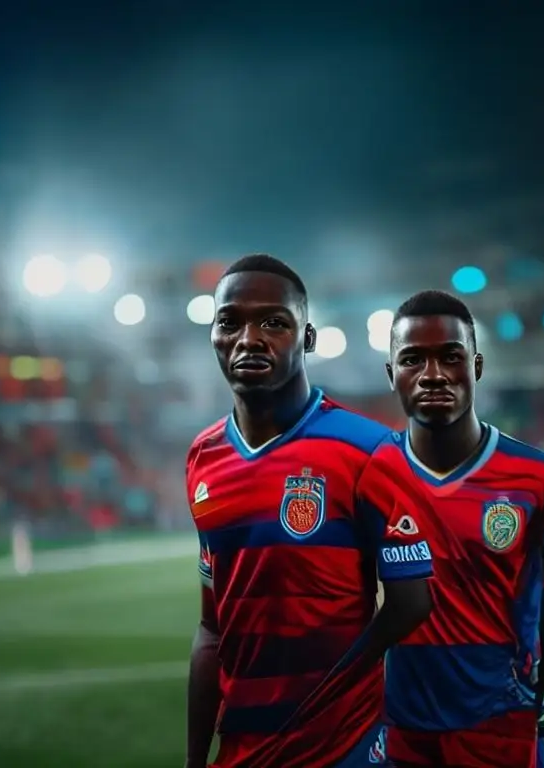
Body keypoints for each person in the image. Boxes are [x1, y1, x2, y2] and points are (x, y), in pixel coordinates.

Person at [184, 255, 434, 768]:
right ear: (212, 335)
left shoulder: (368, 451)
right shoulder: (204, 458)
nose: (248, 338)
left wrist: (340, 685)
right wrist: (193, 760)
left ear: (309, 338)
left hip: (342, 748)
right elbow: (212, 628)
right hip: (243, 750)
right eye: (230, 322)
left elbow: (412, 602)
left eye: (274, 322)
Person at [378, 290, 544, 768]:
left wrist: (536, 698)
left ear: (476, 366)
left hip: (501, 720)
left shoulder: (537, 476)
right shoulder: (369, 474)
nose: (433, 374)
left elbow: (541, 597)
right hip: (402, 724)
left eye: (450, 357)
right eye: (412, 359)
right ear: (391, 374)